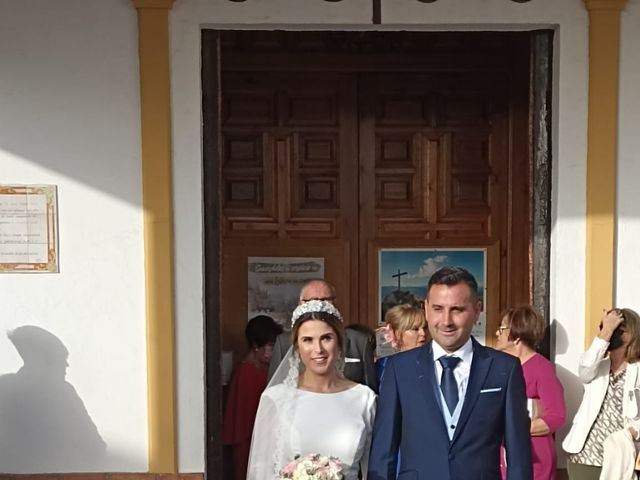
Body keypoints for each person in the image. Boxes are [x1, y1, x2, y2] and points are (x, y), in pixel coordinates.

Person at [368, 266, 532, 480]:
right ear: (426, 309)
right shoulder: (399, 369)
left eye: (457, 309)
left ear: (476, 310)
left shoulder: (504, 368)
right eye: (438, 309)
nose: (446, 321)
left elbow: (518, 454)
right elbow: (383, 452)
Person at [248, 300, 377, 480]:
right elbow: (261, 471)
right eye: (307, 340)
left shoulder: (365, 399)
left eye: (326, 338)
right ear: (297, 347)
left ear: (339, 343)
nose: (318, 349)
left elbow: (374, 469)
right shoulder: (276, 398)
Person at [562, 308, 640, 480]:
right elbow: (584, 370)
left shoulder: (638, 370)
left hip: (620, 460)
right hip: (584, 457)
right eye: (605, 326)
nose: (612, 332)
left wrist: (633, 432)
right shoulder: (598, 367)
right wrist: (606, 331)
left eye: (617, 327)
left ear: (631, 334)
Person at [268, 279, 378, 392]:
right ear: (300, 303)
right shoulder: (284, 342)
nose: (318, 304)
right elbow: (275, 388)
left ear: (335, 302)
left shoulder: (359, 341)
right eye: (311, 300)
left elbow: (371, 389)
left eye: (324, 300)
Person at [495, 305, 566, 480]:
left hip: (533, 461)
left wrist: (515, 429)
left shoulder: (542, 368)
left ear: (517, 336)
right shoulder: (502, 367)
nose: (497, 333)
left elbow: (557, 416)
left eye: (502, 329)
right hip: (504, 459)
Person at [222, 315, 283, 480]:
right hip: (249, 445)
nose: (273, 351)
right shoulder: (246, 373)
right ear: (256, 345)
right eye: (270, 346)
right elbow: (245, 422)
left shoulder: (264, 369)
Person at [376, 304, 428, 385]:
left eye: (425, 328)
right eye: (415, 329)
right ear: (397, 334)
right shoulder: (384, 366)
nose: (423, 333)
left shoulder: (435, 362)